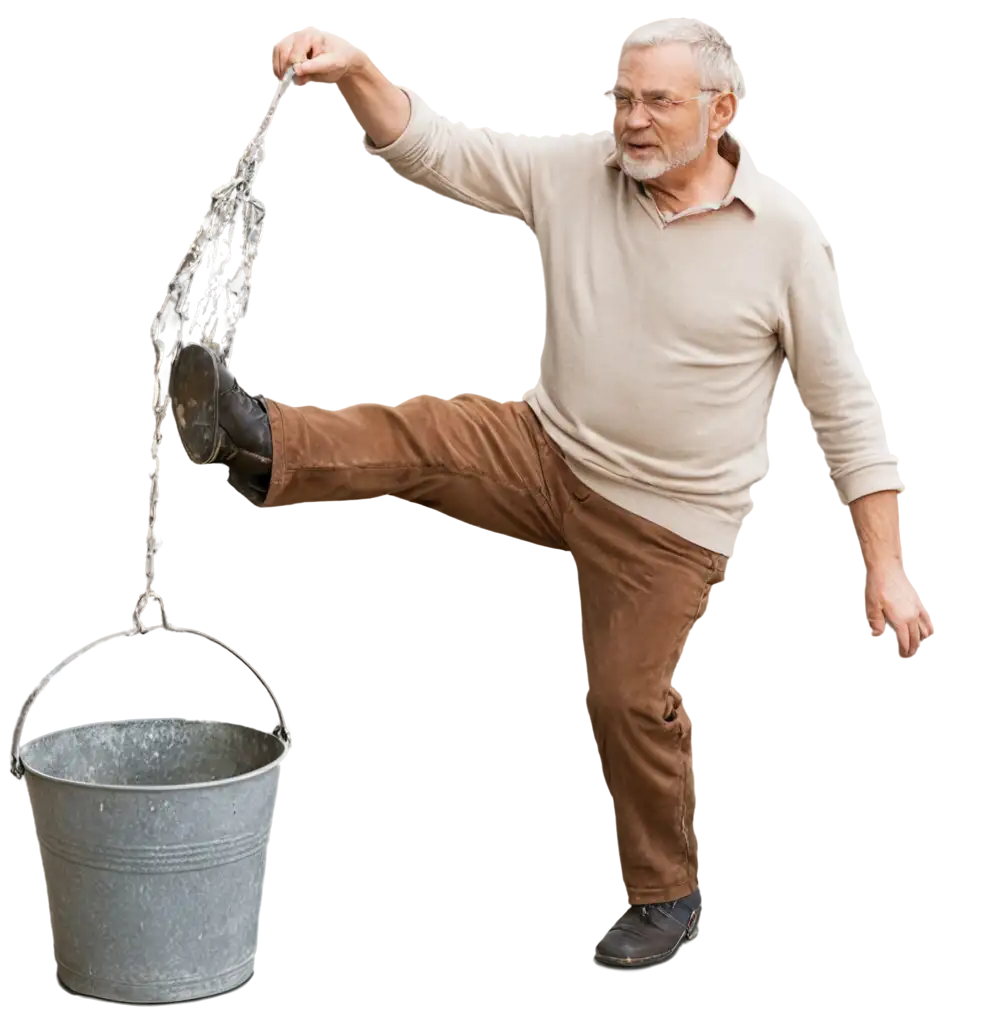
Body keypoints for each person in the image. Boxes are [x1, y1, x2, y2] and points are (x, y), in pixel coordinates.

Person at [169, 15, 936, 968]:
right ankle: (250, 442)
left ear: (722, 109)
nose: (633, 121)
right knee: (425, 429)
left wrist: (887, 568)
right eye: (621, 98)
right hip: (550, 447)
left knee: (626, 694)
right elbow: (437, 148)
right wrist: (360, 70)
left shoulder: (783, 237)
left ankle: (667, 896)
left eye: (658, 101)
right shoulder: (578, 175)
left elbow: (848, 412)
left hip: (666, 520)